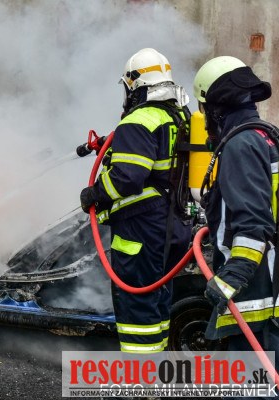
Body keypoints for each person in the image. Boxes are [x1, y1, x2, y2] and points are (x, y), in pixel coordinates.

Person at [80, 48, 192, 355]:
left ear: (134, 83)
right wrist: (112, 144)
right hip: (174, 225)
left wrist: (94, 194)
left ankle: (141, 374)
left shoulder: (139, 120)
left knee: (137, 309)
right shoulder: (179, 116)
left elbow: (127, 178)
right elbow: (157, 161)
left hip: (142, 230)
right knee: (158, 300)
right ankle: (158, 363)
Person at [193, 56, 279, 368]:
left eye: (204, 109)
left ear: (216, 109)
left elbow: (254, 224)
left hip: (256, 297)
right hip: (272, 294)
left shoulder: (240, 145)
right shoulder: (267, 136)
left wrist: (232, 277)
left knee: (252, 384)